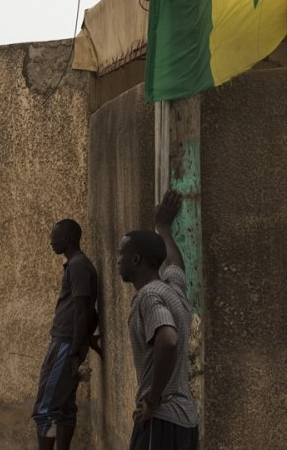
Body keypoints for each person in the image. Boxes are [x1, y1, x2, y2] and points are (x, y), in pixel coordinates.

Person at [118, 190, 199, 450]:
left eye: (121, 254)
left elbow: (169, 339)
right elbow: (176, 266)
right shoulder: (172, 290)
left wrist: (152, 403)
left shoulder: (149, 296)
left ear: (136, 259)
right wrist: (163, 229)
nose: (118, 260)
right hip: (185, 419)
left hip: (161, 419)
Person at [32, 218, 100, 449]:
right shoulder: (76, 265)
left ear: (67, 239)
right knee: (64, 407)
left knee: (46, 407)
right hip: (67, 342)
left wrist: (73, 352)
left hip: (65, 343)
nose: (51, 241)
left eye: (54, 237)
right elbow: (89, 312)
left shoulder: (78, 265)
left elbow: (83, 311)